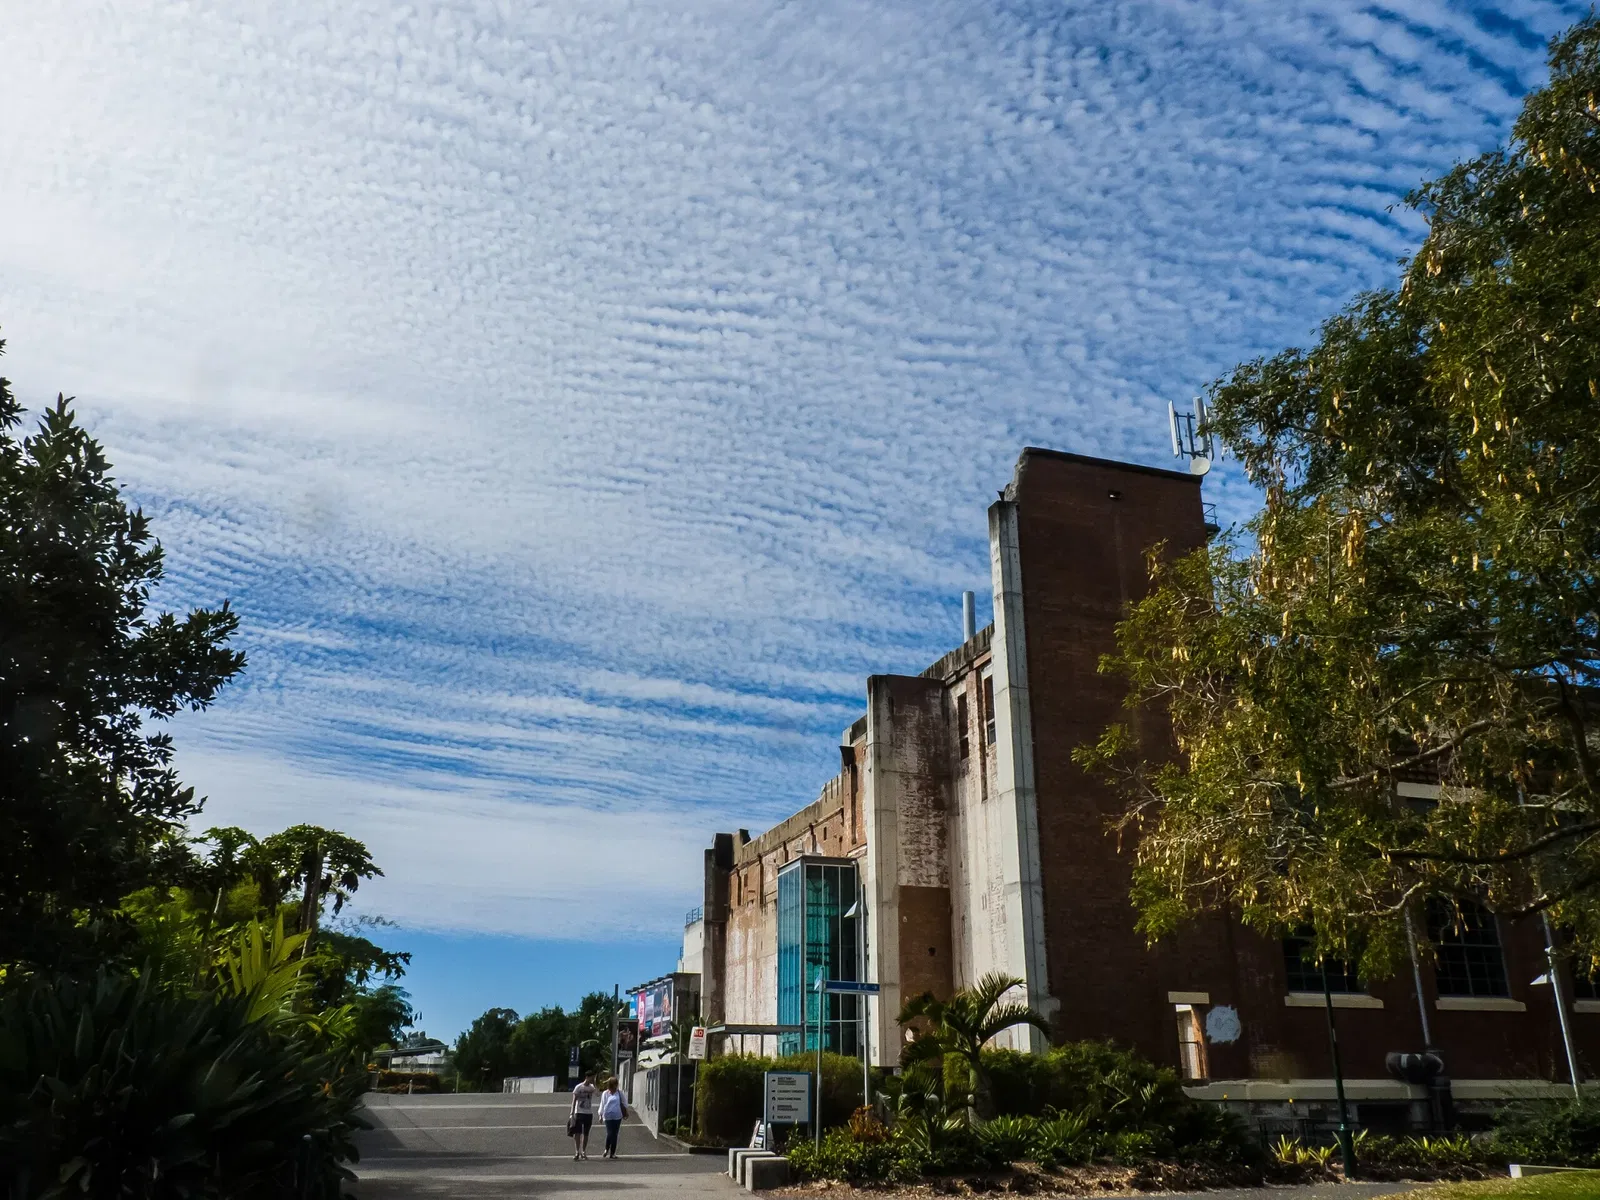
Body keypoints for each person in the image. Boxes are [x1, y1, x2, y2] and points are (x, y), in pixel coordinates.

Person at [598, 1076, 628, 1159]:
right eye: (614, 1084)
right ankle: (606, 1148)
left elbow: (624, 1103)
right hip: (607, 1115)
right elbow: (602, 1104)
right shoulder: (605, 1093)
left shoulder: (619, 1093)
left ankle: (612, 1153)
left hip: (617, 1116)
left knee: (615, 1134)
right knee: (610, 1133)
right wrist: (600, 1115)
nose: (616, 1086)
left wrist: (625, 1112)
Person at [569, 1072, 597, 1160]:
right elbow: (574, 1100)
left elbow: (598, 1094)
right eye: (591, 1078)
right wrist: (572, 1113)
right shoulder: (579, 1087)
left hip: (588, 1113)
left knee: (586, 1133)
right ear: (587, 1077)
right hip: (579, 1112)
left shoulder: (592, 1087)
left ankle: (583, 1151)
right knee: (577, 1133)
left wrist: (595, 1084)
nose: (592, 1079)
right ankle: (577, 1151)